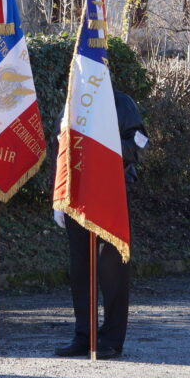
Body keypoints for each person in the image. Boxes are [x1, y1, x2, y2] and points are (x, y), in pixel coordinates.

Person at [53, 89, 148, 360]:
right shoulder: (71, 102)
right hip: (77, 196)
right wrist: (57, 197)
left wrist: (103, 150)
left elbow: (139, 144)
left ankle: (111, 339)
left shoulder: (122, 102)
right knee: (80, 270)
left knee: (111, 270)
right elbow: (59, 150)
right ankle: (84, 335)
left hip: (111, 194)